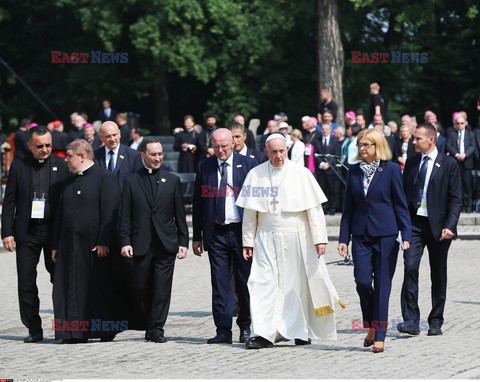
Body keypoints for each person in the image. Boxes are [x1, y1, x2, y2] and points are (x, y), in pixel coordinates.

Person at [236, 133, 344, 349]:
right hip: (265, 238)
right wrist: (247, 241)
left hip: (296, 236)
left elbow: (315, 211)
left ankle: (299, 331)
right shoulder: (256, 175)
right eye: (273, 152)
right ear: (266, 152)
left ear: (287, 150)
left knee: (296, 286)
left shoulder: (301, 174)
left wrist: (320, 239)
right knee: (262, 284)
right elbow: (250, 213)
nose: (278, 156)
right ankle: (264, 334)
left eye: (282, 151)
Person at [338, 128, 411, 353]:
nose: (362, 148)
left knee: (382, 286)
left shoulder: (390, 170)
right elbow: (348, 207)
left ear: (377, 146)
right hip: (361, 235)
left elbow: (400, 204)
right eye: (360, 144)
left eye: (366, 145)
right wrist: (343, 238)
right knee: (361, 281)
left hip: (386, 235)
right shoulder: (354, 171)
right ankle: (370, 323)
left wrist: (406, 234)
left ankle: (379, 334)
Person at [1, 126, 69, 343]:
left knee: (59, 278)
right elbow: (9, 200)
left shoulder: (61, 164)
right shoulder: (19, 166)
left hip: (53, 232)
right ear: (29, 145)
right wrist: (7, 232)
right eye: (39, 146)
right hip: (27, 232)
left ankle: (63, 327)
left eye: (48, 145)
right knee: (26, 282)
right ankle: (34, 328)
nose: (45, 149)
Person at [192, 128, 258, 345]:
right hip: (217, 233)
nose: (220, 150)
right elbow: (199, 202)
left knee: (244, 281)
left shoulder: (247, 165)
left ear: (233, 144)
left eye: (224, 146)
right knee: (220, 283)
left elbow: (256, 202)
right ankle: (223, 329)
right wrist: (197, 236)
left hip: (241, 233)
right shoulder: (205, 166)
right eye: (216, 146)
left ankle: (246, 326)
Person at [120, 138, 188, 343]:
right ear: (143, 155)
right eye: (153, 154)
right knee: (140, 286)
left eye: (160, 154)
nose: (158, 158)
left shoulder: (172, 180)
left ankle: (156, 329)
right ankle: (147, 322)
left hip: (165, 243)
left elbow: (180, 214)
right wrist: (125, 241)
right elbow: (125, 215)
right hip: (140, 243)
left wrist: (183, 241)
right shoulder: (130, 180)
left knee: (161, 287)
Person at [52, 139, 121, 343]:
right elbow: (60, 215)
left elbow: (110, 213)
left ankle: (103, 330)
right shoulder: (68, 181)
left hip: (94, 246)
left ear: (82, 156)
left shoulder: (105, 178)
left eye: (69, 155)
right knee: (67, 289)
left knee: (96, 290)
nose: (66, 160)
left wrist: (103, 241)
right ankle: (71, 332)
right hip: (68, 246)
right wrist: (55, 244)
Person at [398, 123, 462, 336]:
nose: (413, 142)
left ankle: (435, 320)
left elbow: (456, 198)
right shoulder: (412, 161)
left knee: (438, 273)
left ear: (431, 139)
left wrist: (450, 226)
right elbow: (405, 195)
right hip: (414, 224)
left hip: (439, 227)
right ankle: (411, 321)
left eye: (417, 138)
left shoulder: (448, 164)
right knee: (410, 267)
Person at [93, 121, 143, 190]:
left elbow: (138, 183)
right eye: (108, 136)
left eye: (114, 135)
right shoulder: (94, 156)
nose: (112, 139)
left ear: (119, 134)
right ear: (101, 137)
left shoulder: (134, 156)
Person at [446, 115, 476, 212]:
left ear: (465, 123)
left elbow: (473, 146)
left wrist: (465, 154)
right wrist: (457, 155)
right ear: (455, 124)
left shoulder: (470, 134)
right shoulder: (451, 134)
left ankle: (469, 207)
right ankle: (459, 207)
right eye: (458, 123)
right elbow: (448, 145)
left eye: (462, 123)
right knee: (456, 186)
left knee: (467, 185)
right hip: (456, 162)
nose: (460, 125)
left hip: (467, 163)